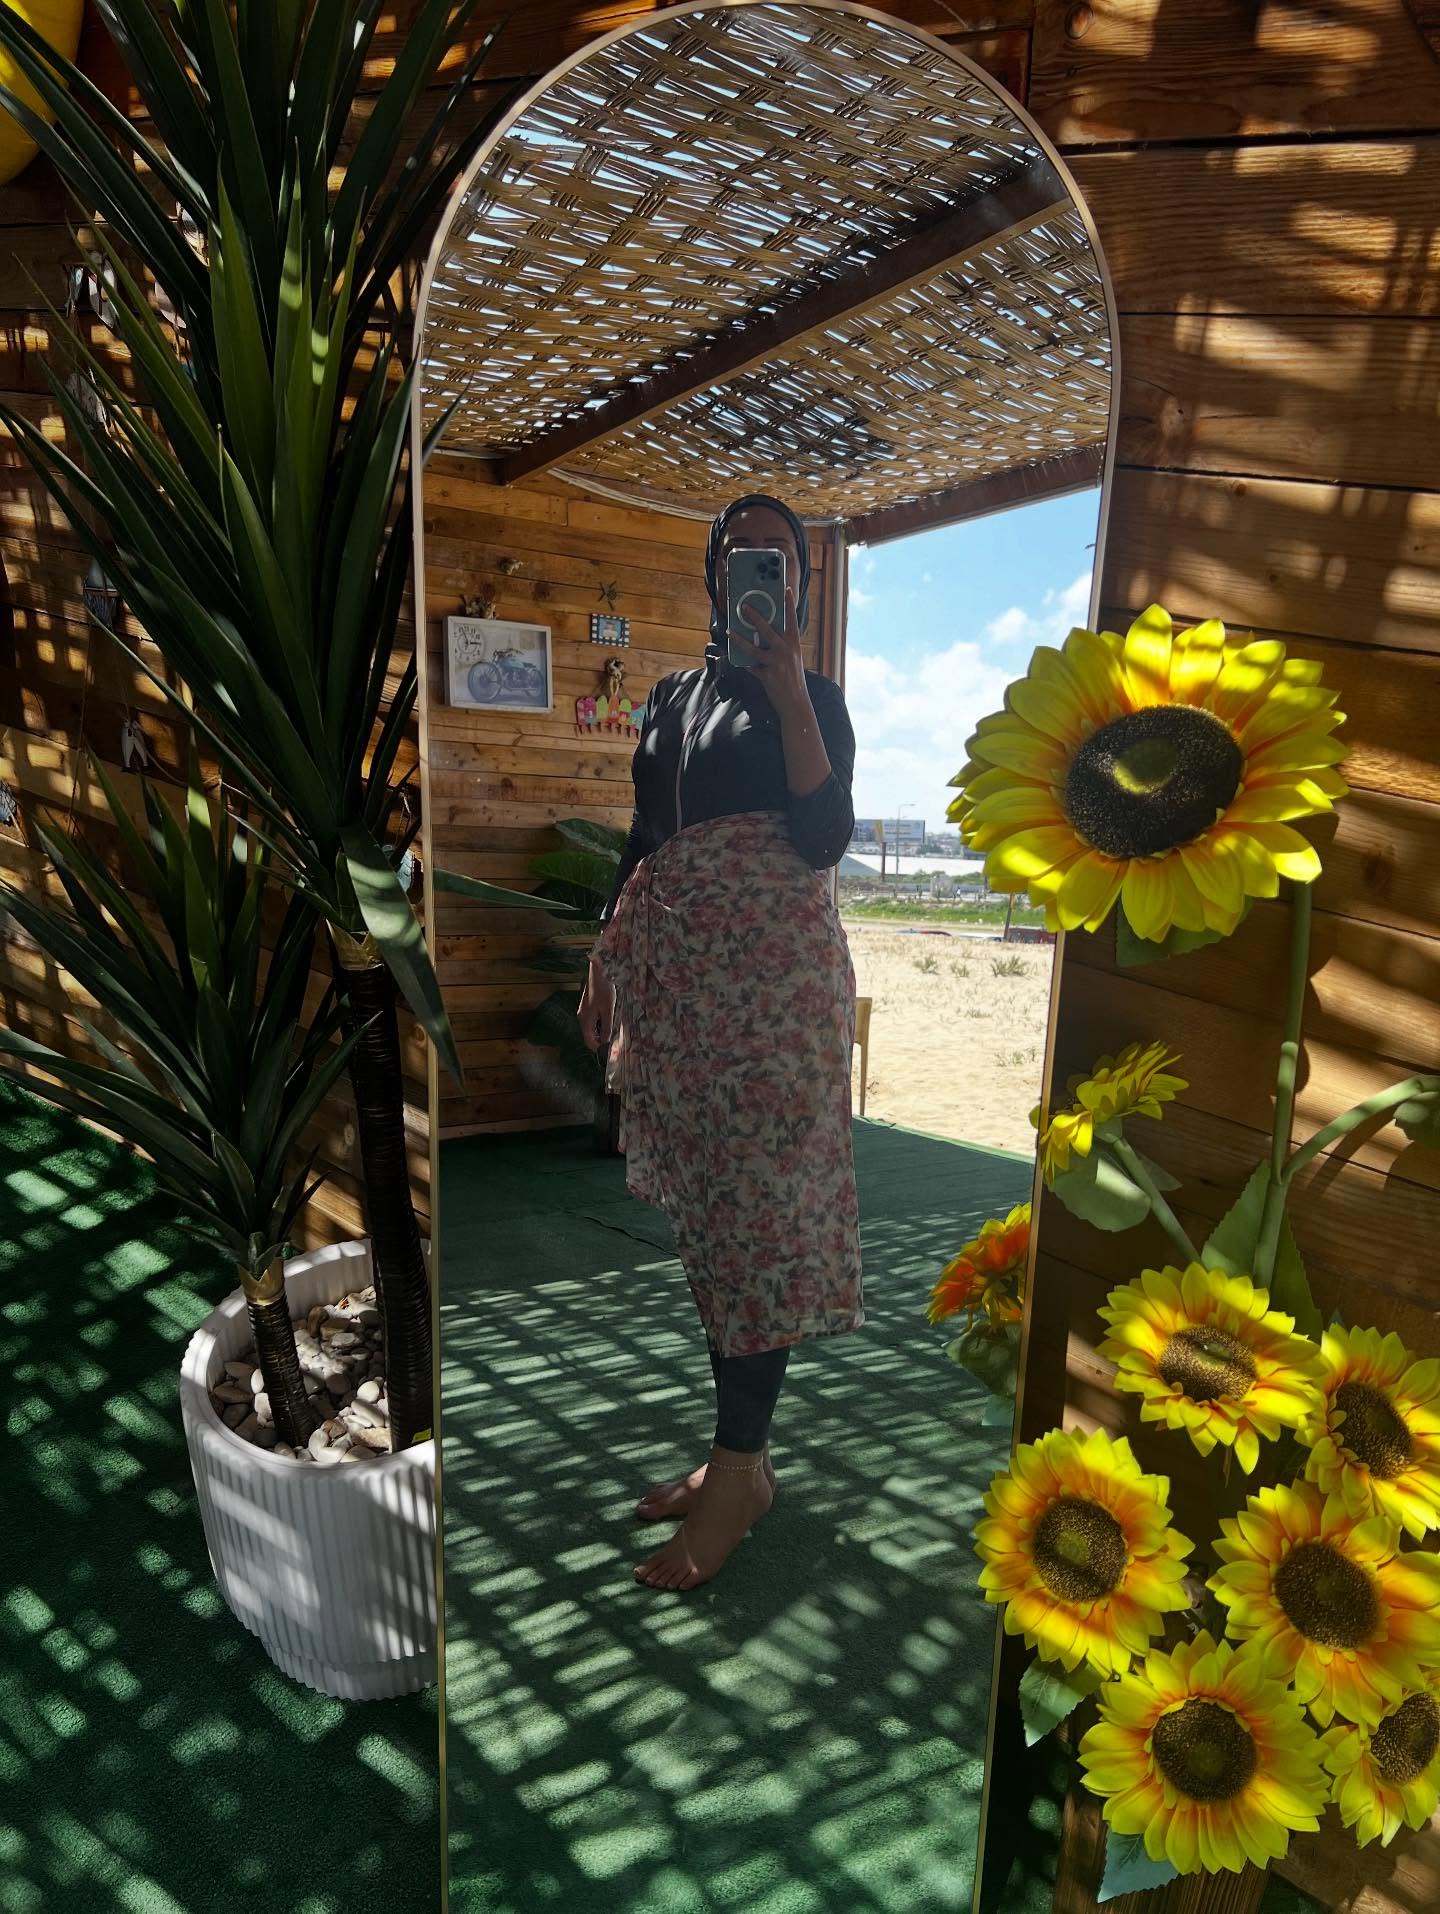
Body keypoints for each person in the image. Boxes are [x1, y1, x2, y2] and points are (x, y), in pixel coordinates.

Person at [579, 492, 865, 1593]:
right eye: (742, 557)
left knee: (758, 1230)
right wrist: (603, 959)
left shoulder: (817, 698)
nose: (758, 575)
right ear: (713, 574)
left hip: (775, 1004)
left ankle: (741, 1475)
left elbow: (824, 838)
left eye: (778, 561)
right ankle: (736, 1455)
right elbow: (646, 837)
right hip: (687, 996)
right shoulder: (668, 699)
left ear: (799, 583)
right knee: (713, 1222)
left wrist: (788, 692)